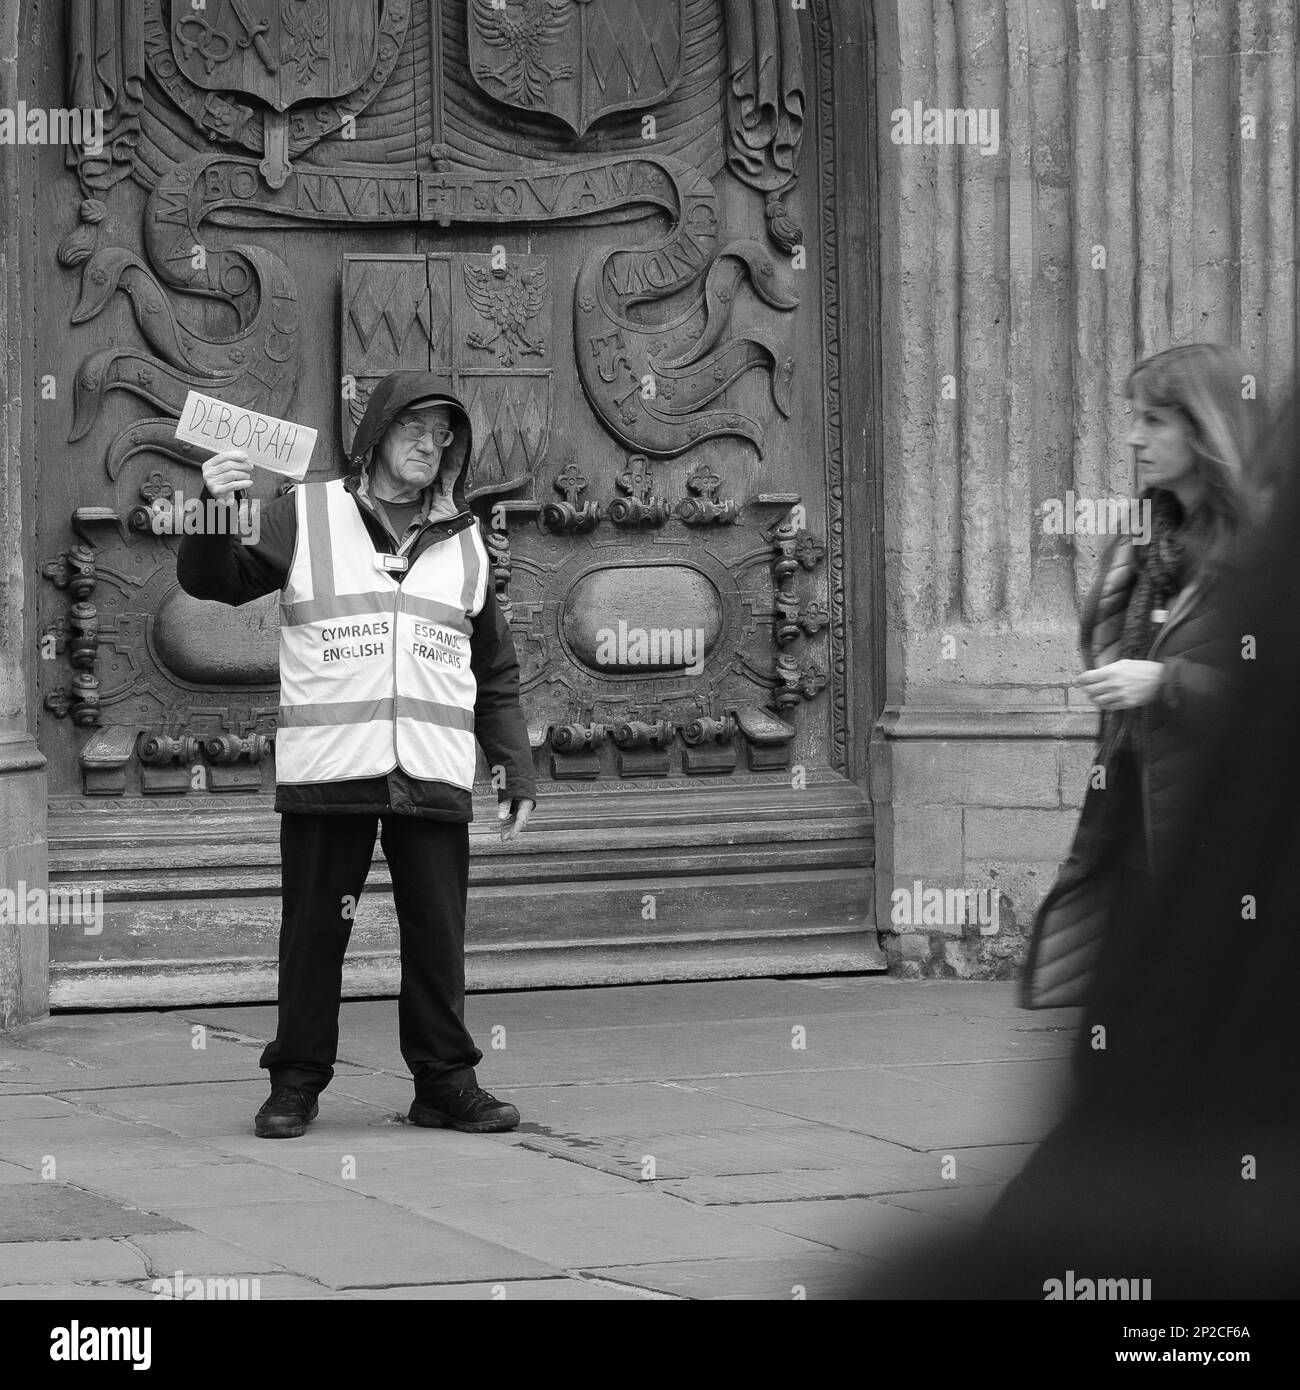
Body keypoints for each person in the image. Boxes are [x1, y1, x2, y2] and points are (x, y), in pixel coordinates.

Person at [177, 370, 537, 1139]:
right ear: (375, 434)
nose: (431, 446)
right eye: (416, 430)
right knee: (315, 932)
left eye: (444, 436)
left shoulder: (466, 539)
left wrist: (513, 765)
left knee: (437, 933)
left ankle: (445, 1083)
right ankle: (295, 1083)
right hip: (332, 764)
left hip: (433, 767)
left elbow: (494, 668)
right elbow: (214, 582)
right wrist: (215, 504)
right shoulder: (306, 512)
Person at [1020, 343, 1262, 1021]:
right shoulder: (1145, 545)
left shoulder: (1266, 551)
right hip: (1135, 824)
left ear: (1206, 427)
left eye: (1155, 420)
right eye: (1133, 417)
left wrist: (1166, 681)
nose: (1132, 437)